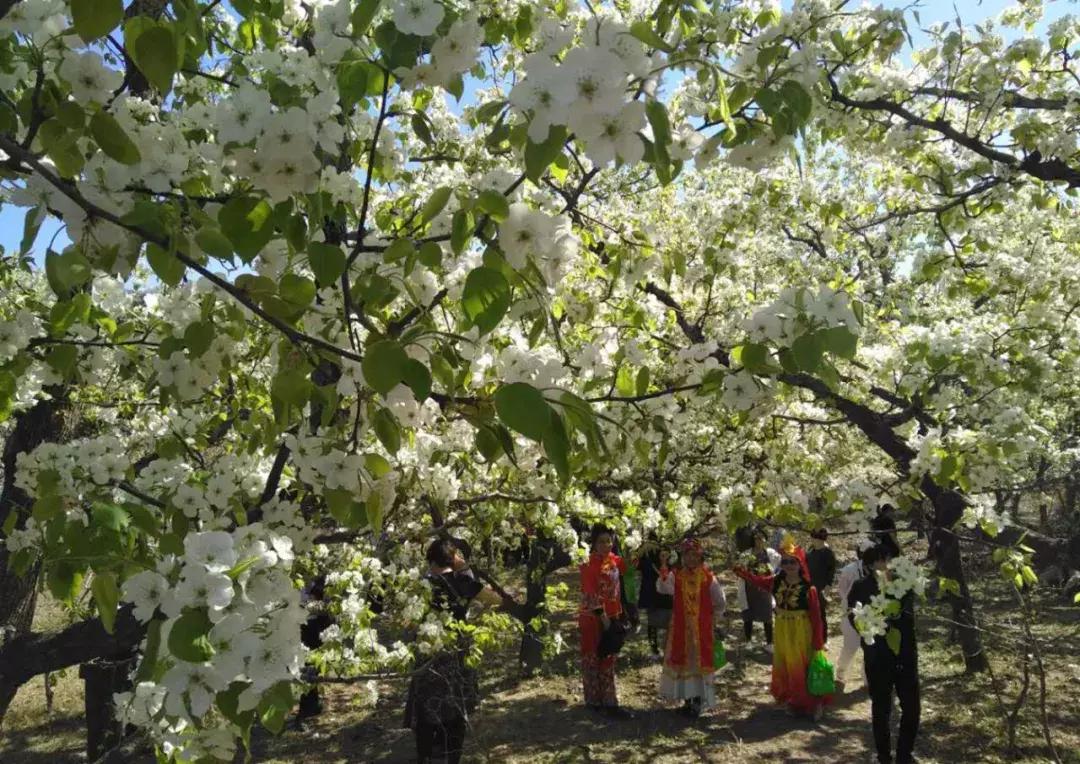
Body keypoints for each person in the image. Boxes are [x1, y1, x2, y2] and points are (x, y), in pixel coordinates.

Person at [404, 538, 506, 764]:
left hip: (428, 652)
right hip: (457, 651)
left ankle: (426, 756)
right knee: (456, 707)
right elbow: (497, 599)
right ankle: (451, 757)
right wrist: (465, 568)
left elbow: (408, 623)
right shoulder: (462, 581)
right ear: (454, 559)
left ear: (430, 560)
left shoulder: (421, 585)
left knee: (427, 708)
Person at [735, 535, 831, 720]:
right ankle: (795, 701)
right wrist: (743, 573)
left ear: (800, 563)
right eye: (785, 562)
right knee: (787, 664)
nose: (788, 565)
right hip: (782, 629)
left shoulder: (808, 588)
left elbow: (816, 617)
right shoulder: (776, 581)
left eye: (792, 562)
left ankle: (813, 703)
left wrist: (818, 641)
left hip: (801, 630)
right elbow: (759, 581)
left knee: (804, 665)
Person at [849, 544, 920, 764]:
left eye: (891, 558)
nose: (887, 563)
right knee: (881, 708)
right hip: (877, 656)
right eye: (882, 559)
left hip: (905, 654)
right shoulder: (860, 587)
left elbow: (908, 613)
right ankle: (883, 756)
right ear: (870, 565)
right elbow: (855, 618)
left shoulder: (905, 583)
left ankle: (904, 754)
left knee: (912, 708)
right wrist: (872, 623)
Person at [657, 538, 726, 717]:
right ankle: (687, 700)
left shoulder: (708, 577)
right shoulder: (677, 576)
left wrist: (712, 619)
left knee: (698, 664)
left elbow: (720, 601)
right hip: (681, 628)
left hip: (700, 630)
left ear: (700, 557)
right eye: (688, 555)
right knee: (685, 665)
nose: (692, 559)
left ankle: (698, 701)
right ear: (683, 557)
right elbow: (663, 588)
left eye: (695, 555)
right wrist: (663, 567)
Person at [579, 523, 632, 718]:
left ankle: (610, 701)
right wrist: (604, 619)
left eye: (609, 540)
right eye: (601, 541)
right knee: (593, 658)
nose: (606, 545)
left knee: (608, 658)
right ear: (593, 543)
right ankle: (593, 701)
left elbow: (631, 566)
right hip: (592, 618)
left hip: (612, 616)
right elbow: (590, 594)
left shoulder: (614, 561)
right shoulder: (587, 563)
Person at [835, 537, 877, 689]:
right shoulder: (848, 570)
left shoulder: (879, 572)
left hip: (872, 615)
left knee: (870, 646)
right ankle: (841, 673)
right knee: (850, 646)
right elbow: (842, 591)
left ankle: (868, 678)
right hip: (850, 613)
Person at [736, 527, 780, 651]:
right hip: (749, 589)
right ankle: (749, 641)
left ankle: (769, 642)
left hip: (764, 590)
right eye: (756, 538)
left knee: (767, 615)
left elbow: (779, 564)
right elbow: (739, 568)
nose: (759, 541)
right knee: (748, 615)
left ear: (765, 539)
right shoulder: (746, 554)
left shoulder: (770, 553)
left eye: (761, 538)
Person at [636, 535, 674, 657]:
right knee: (659, 622)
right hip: (657, 591)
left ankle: (658, 649)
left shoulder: (645, 552)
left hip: (657, 590)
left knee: (657, 622)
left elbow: (637, 566)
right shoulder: (647, 551)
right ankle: (659, 649)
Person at [806, 528, 837, 642]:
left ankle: (824, 639)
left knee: (821, 614)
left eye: (813, 537)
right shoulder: (810, 552)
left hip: (822, 587)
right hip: (810, 587)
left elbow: (831, 571)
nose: (812, 540)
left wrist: (828, 587)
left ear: (819, 539)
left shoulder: (828, 553)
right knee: (810, 612)